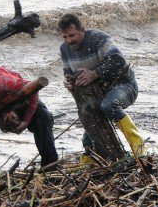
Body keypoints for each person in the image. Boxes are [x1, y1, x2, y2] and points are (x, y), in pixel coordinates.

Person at [58, 13, 145, 159]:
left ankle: (138, 144)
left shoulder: (99, 39)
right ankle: (91, 158)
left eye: (72, 36)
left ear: (82, 30)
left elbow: (118, 61)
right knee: (88, 118)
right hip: (98, 93)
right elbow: (68, 71)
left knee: (108, 106)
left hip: (124, 84)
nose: (69, 41)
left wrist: (95, 73)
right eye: (65, 37)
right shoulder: (64, 49)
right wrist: (68, 81)